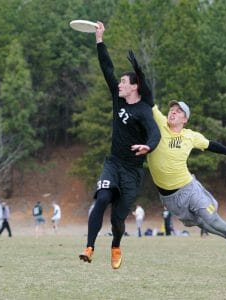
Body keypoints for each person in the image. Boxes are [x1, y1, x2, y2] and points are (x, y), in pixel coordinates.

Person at [127, 54, 226, 271]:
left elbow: (212, 145)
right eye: (172, 110)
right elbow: (147, 96)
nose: (173, 112)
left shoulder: (190, 135)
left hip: (189, 189)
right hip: (169, 199)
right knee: (208, 226)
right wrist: (139, 73)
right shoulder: (159, 124)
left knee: (214, 222)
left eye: (178, 111)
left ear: (185, 118)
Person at [79, 21, 160, 269]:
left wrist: (148, 147)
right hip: (113, 163)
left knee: (117, 219)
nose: (119, 85)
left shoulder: (144, 110)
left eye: (124, 82)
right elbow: (107, 67)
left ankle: (115, 245)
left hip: (133, 172)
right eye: (120, 82)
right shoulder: (118, 99)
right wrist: (99, 40)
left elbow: (155, 133)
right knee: (102, 197)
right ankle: (89, 247)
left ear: (134, 86)